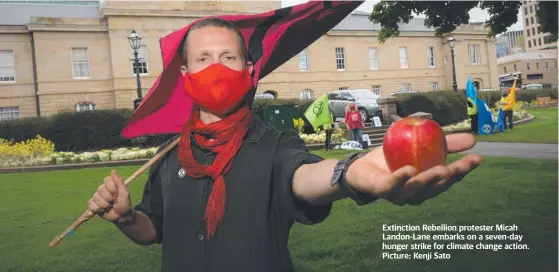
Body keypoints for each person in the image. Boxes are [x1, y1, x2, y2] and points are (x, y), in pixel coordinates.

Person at [87, 18, 482, 272]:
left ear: (249, 70)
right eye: (204, 59)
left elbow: (304, 175)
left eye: (229, 57)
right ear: (186, 75)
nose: (218, 67)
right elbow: (153, 228)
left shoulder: (275, 145)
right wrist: (124, 218)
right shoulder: (168, 154)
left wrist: (350, 173)